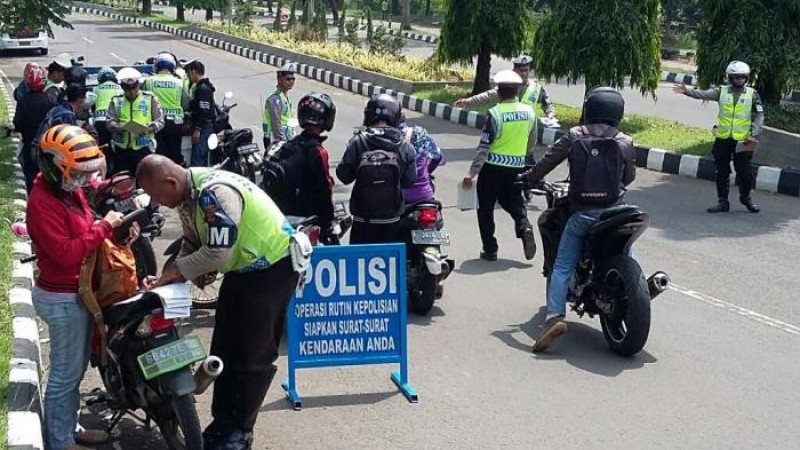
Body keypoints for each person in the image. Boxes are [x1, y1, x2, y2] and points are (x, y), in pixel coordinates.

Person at [136, 154, 300, 450]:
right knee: (224, 347)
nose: (158, 202)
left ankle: (241, 430)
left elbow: (217, 254)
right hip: (242, 269)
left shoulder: (215, 193)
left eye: (157, 195)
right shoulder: (188, 197)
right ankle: (222, 422)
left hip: (272, 269)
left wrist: (180, 270)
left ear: (171, 182)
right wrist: (167, 277)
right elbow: (192, 243)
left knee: (253, 353)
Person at [26, 125, 133, 450]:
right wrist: (103, 227)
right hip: (62, 297)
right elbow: (65, 252)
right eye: (77, 175)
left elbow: (86, 218)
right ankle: (59, 441)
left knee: (73, 370)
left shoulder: (65, 190)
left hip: (79, 293)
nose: (83, 182)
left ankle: (70, 428)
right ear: (54, 168)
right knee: (64, 374)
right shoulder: (43, 202)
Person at [518, 87, 636, 353]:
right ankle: (635, 289)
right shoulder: (625, 141)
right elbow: (629, 177)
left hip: (583, 213)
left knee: (561, 266)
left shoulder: (574, 136)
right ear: (618, 111)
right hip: (617, 211)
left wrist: (529, 178)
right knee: (627, 250)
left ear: (589, 109)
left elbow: (547, 163)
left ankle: (553, 318)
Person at [462, 70, 537, 262]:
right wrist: (522, 157)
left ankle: (490, 249)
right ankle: (524, 226)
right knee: (514, 201)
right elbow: (532, 142)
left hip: (492, 168)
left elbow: (484, 146)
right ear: (517, 91)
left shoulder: (495, 114)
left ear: (500, 93)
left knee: (485, 208)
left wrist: (472, 173)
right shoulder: (529, 112)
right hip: (516, 166)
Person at [673, 60, 764, 213]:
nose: (739, 80)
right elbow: (704, 94)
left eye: (742, 77)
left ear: (746, 78)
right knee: (722, 172)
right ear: (730, 77)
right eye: (736, 77)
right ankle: (723, 201)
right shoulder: (722, 91)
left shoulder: (752, 94)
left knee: (746, 173)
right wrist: (687, 91)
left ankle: (745, 197)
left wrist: (753, 132)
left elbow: (760, 114)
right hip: (723, 139)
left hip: (743, 141)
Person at [335, 94, 416, 244]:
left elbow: (344, 176)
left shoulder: (358, 142)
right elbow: (409, 180)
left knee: (360, 263)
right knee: (391, 264)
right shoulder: (405, 146)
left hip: (362, 221)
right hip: (391, 220)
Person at [268, 92, 338, 242]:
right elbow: (325, 190)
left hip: (287, 215)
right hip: (309, 219)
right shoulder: (318, 152)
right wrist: (329, 222)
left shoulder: (290, 145)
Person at [455, 55, 555, 157]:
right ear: (514, 71)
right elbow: (488, 95)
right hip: (508, 130)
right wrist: (468, 101)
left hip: (526, 132)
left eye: (526, 70)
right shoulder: (508, 86)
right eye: (521, 71)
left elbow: (547, 103)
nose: (524, 73)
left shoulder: (536, 88)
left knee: (526, 163)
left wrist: (550, 115)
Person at [106, 67, 164, 175]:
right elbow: (109, 122)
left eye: (134, 87)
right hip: (122, 149)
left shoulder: (150, 99)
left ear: (139, 85)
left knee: (144, 181)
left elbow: (160, 121)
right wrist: (121, 127)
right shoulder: (116, 100)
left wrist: (149, 129)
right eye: (127, 89)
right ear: (122, 87)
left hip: (144, 147)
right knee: (123, 182)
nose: (131, 91)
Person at [143, 53, 190, 165]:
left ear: (157, 66)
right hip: (175, 123)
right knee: (175, 153)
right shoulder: (179, 82)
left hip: (156, 123)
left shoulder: (149, 81)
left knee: (157, 154)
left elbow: (143, 100)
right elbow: (185, 103)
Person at [13, 63, 53, 192]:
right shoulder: (50, 100)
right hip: (47, 143)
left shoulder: (23, 101)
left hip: (29, 141)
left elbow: (17, 123)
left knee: (30, 173)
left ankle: (33, 195)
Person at [397, 115, 445, 206]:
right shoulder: (419, 133)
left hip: (393, 198)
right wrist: (428, 171)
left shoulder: (379, 137)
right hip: (423, 195)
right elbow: (437, 158)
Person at [184, 59, 216, 166]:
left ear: (193, 72)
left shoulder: (202, 89)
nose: (188, 77)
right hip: (203, 127)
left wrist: (197, 129)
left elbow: (204, 111)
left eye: (188, 74)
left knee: (197, 160)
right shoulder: (201, 87)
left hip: (204, 128)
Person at [92, 66, 124, 159]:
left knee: (103, 148)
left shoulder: (96, 89)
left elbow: (92, 106)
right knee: (118, 147)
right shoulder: (120, 88)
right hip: (115, 121)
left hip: (100, 121)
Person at [263, 63, 297, 150]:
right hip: (276, 139)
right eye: (288, 79)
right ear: (279, 79)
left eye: (293, 79)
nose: (291, 82)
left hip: (286, 137)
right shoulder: (275, 99)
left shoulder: (284, 97)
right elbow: (276, 123)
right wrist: (281, 141)